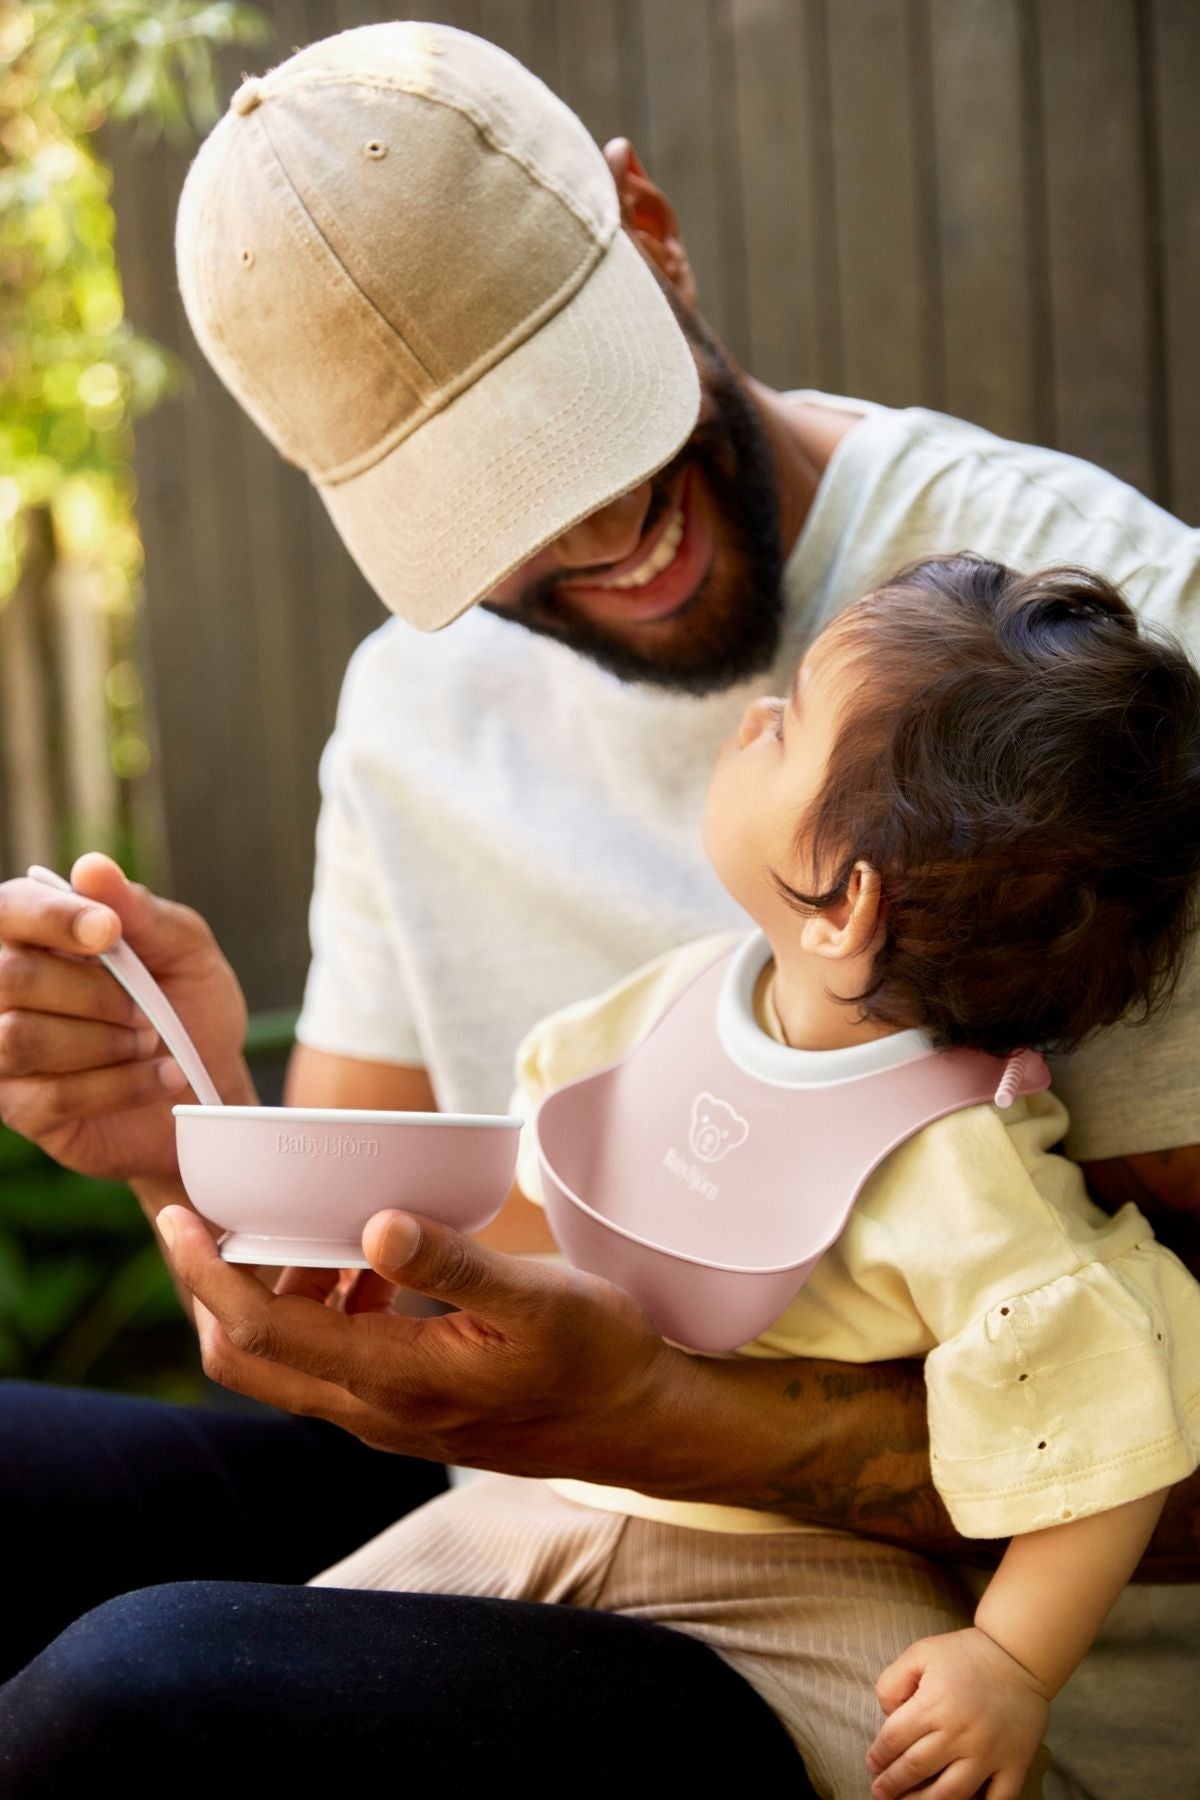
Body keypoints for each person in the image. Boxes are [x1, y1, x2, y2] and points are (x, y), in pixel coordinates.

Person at [0, 22, 1196, 1796]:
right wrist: (188, 1136)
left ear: (647, 228)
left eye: (590, 425)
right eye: (487, 509)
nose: (599, 539)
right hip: (547, 1497)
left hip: (907, 1662)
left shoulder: (1091, 697)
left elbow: (1130, 1402)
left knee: (135, 1703)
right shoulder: (415, 710)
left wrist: (651, 1408)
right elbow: (374, 1279)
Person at [271, 554, 1200, 1800]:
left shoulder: (956, 1164)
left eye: (790, 725)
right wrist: (387, 1247)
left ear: (845, 907)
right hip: (544, 1497)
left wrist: (1007, 1663)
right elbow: (540, 1191)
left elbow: (1104, 1423)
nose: (753, 718)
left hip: (818, 1571)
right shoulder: (676, 1004)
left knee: (921, 1778)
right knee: (279, 1682)